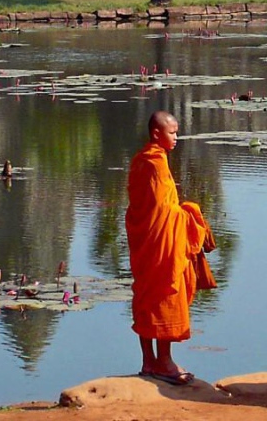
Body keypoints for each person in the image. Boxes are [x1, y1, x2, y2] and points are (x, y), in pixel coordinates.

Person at [125, 111, 214, 386]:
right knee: (165, 291)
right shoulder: (155, 164)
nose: (177, 137)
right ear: (156, 134)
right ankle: (163, 362)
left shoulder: (141, 160)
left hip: (146, 242)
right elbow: (164, 210)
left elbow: (142, 208)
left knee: (146, 294)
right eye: (173, 132)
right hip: (160, 244)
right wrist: (191, 214)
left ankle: (148, 361)